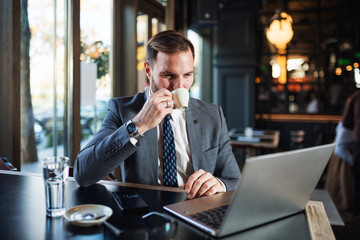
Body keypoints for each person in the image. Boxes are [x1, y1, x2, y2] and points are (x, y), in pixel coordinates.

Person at [74, 30, 241, 199]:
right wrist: (139, 124)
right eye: (168, 75)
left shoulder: (212, 115)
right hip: (144, 214)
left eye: (188, 75)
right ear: (148, 69)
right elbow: (82, 174)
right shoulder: (122, 110)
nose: (180, 86)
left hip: (197, 211)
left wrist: (219, 184)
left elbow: (234, 179)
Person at [340, 90, 360, 217]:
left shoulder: (356, 96)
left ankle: (356, 220)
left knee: (358, 184)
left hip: (359, 143)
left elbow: (346, 122)